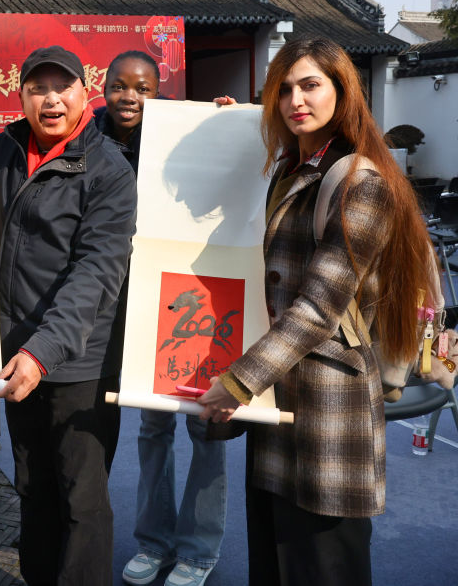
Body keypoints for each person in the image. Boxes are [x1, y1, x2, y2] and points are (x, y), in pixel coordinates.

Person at [197, 37, 434, 586]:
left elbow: (318, 307)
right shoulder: (291, 167)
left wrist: (238, 381)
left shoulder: (361, 182)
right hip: (277, 397)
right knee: (275, 563)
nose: (295, 101)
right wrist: (228, 128)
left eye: (310, 85)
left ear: (343, 91)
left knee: (325, 566)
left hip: (330, 405)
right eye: (283, 90)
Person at [0, 46, 136, 584]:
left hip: (80, 362)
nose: (51, 100)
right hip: (16, 356)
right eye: (37, 89)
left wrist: (43, 351)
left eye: (63, 87)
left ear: (84, 92)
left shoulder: (108, 169)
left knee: (82, 500)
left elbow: (97, 270)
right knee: (33, 488)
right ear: (21, 96)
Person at [98, 52, 227, 586]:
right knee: (153, 425)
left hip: (192, 293)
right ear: (103, 87)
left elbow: (235, 168)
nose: (130, 97)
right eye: (119, 85)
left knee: (204, 422)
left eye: (143, 88)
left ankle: (199, 549)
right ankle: (153, 541)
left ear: (160, 90)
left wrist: (226, 123)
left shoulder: (185, 132)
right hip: (136, 301)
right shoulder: (92, 136)